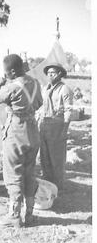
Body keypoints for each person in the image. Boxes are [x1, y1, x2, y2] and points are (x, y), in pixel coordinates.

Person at [0, 54, 43, 227]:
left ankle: (14, 217)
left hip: (16, 132)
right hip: (33, 131)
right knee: (29, 173)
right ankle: (29, 215)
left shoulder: (11, 87)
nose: (5, 75)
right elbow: (39, 103)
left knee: (13, 173)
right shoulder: (35, 83)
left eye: (6, 73)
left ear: (12, 71)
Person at [39, 63, 73, 192]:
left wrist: (64, 130)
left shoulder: (64, 89)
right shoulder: (45, 88)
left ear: (60, 74)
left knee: (56, 159)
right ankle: (47, 185)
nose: (50, 75)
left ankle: (59, 187)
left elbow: (68, 111)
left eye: (53, 72)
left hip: (57, 126)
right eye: (48, 73)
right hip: (43, 125)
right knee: (44, 157)